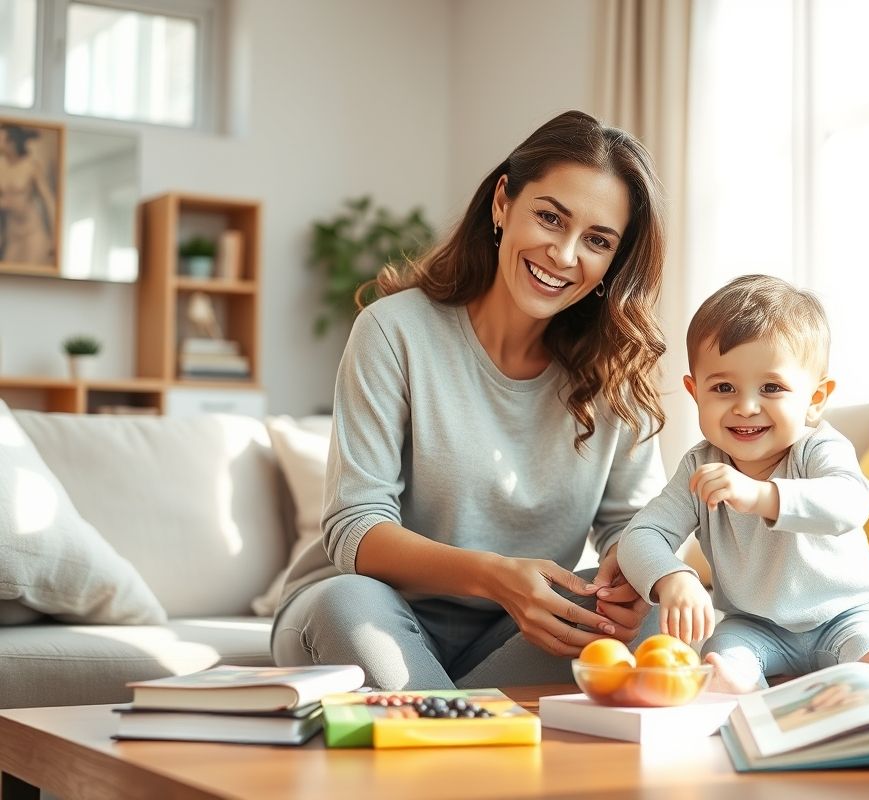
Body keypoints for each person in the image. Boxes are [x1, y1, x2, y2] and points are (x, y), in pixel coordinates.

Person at [272, 110, 669, 690]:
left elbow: (631, 526)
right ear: (503, 203)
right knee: (348, 602)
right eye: (549, 217)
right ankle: (458, 741)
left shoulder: (617, 366)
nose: (563, 254)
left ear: (615, 261)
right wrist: (497, 577)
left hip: (511, 634)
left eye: (597, 240)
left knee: (659, 616)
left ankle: (446, 726)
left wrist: (632, 578)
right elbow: (355, 527)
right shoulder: (394, 331)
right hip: (368, 613)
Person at [618, 274, 869, 693]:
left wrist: (760, 496)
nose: (746, 406)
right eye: (723, 387)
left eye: (771, 387)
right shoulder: (700, 465)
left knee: (868, 639)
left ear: (815, 399)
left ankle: (866, 669)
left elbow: (851, 502)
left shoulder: (817, 449)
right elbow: (641, 534)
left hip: (847, 612)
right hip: (756, 626)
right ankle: (739, 686)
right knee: (723, 650)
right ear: (695, 392)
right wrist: (673, 577)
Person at [0, 124, 58, 266]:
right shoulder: (1, 166)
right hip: (12, 234)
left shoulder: (31, 166)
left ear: (11, 142)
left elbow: (48, 201)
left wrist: (55, 236)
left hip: (31, 231)